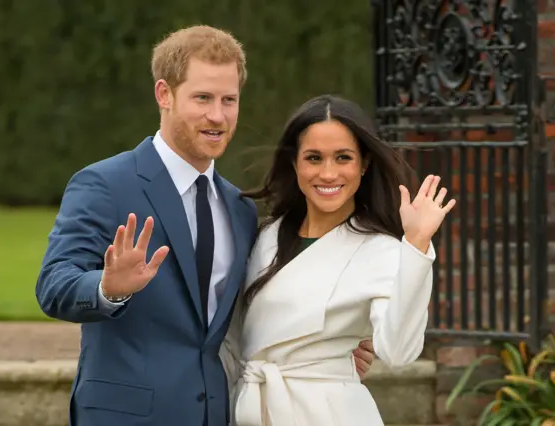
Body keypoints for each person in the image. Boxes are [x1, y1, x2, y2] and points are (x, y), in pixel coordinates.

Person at [35, 27, 375, 426]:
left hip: (216, 414)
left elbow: (245, 319)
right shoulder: (104, 184)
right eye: (203, 98)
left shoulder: (239, 209)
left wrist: (321, 349)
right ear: (164, 94)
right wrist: (107, 288)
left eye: (229, 100)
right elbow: (53, 284)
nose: (218, 115)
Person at [219, 94, 456, 425]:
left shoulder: (381, 251)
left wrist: (415, 246)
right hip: (249, 408)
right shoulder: (266, 236)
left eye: (343, 158)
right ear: (295, 163)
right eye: (314, 158)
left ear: (364, 164)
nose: (328, 174)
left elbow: (398, 351)